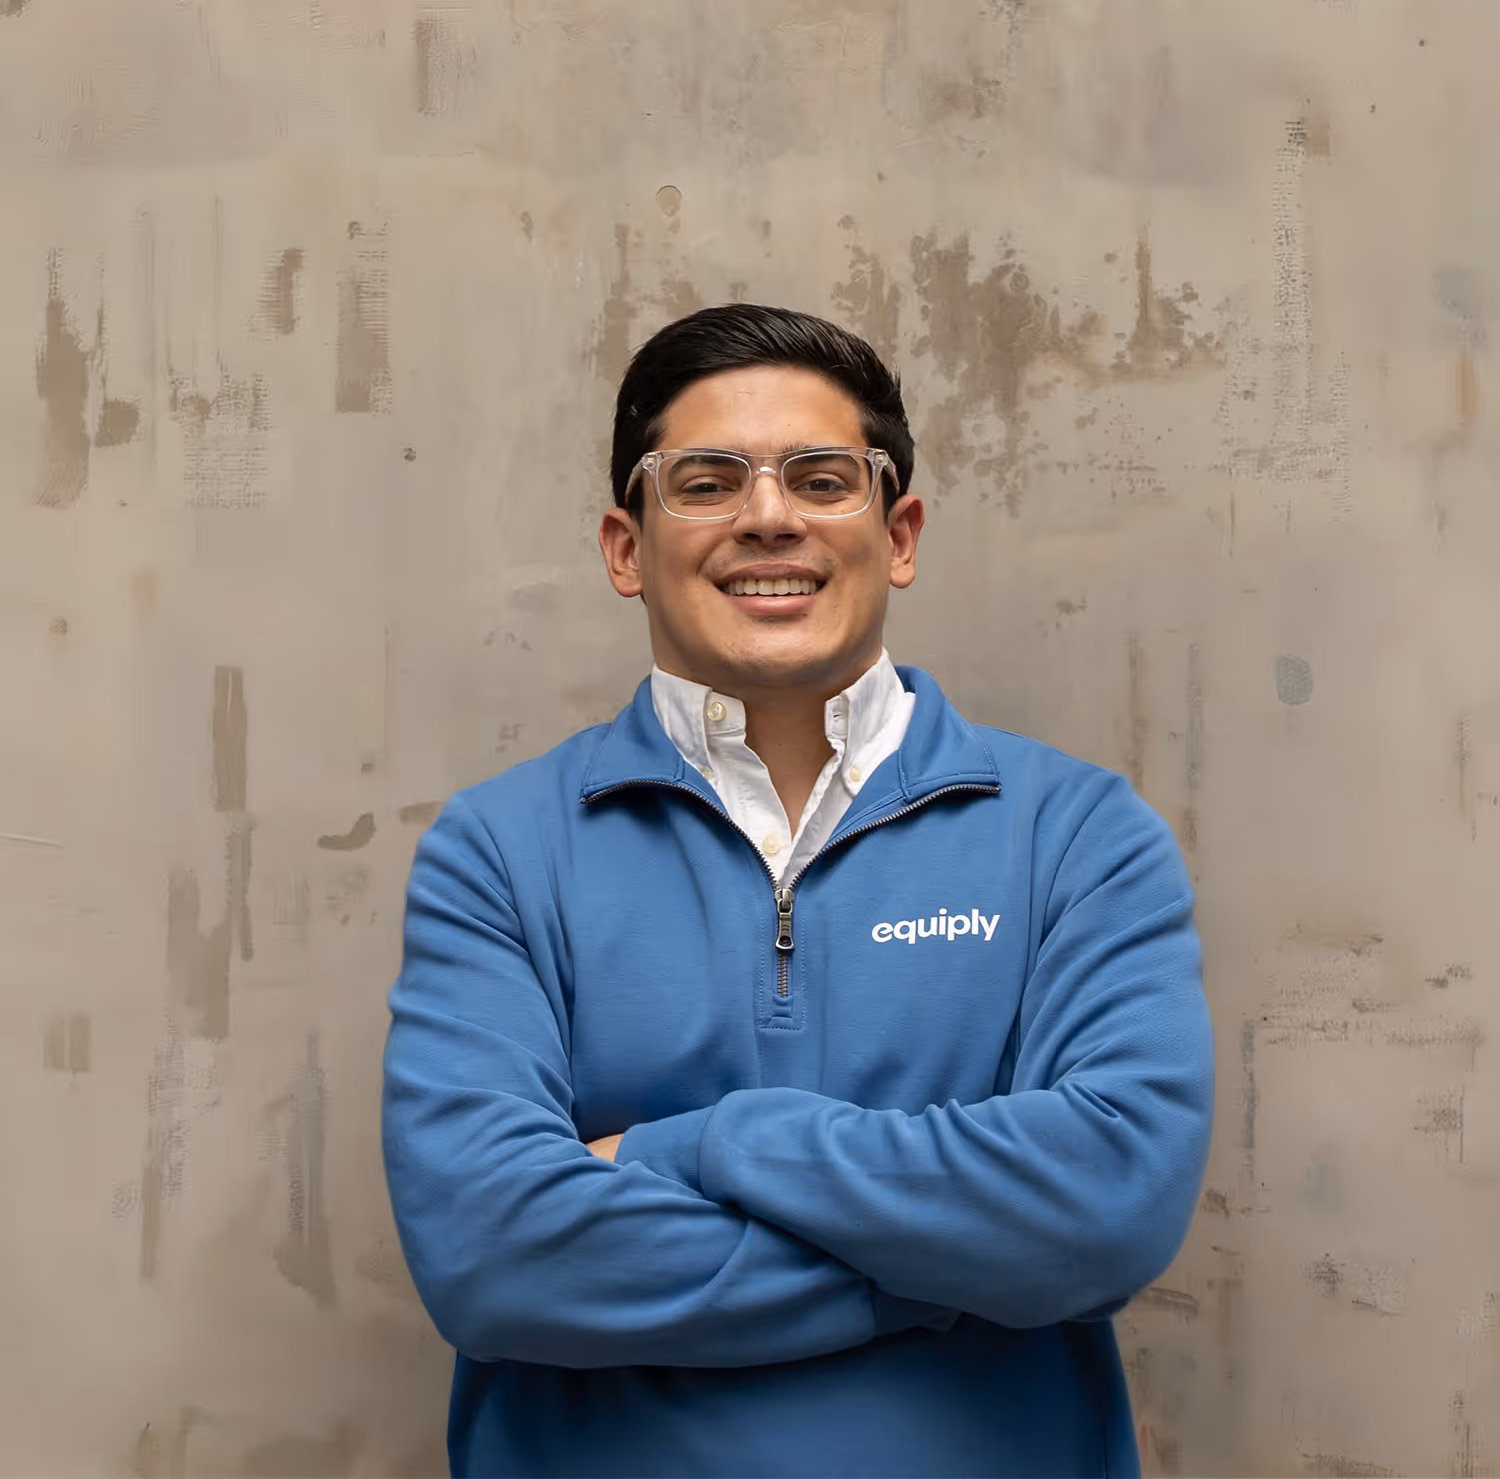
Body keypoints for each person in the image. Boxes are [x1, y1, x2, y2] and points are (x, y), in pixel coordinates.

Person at [382, 303, 1215, 1478]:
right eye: (708, 481)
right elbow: (490, 1250)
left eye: (823, 480)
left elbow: (1105, 1207)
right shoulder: (498, 852)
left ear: (900, 531)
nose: (768, 517)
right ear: (626, 548)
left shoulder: (1078, 837)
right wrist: (950, 1278)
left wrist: (697, 1145)